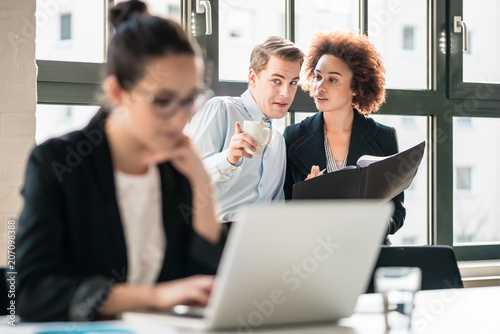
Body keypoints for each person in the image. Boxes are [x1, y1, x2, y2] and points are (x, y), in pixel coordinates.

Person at [16, 0, 225, 322]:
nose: (179, 119)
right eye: (164, 101)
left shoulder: (176, 167)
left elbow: (203, 282)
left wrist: (202, 183)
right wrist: (153, 296)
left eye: (189, 100)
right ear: (117, 92)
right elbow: (30, 292)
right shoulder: (58, 163)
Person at [283, 30, 405, 239]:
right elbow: (282, 209)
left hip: (368, 255)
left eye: (333, 80)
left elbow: (397, 213)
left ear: (355, 88)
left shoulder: (384, 138)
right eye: (318, 77)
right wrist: (305, 199)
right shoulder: (293, 137)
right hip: (312, 257)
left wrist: (371, 222)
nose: (319, 87)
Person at [185, 36, 304, 224]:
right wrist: (228, 159)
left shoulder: (278, 140)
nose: (286, 94)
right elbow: (186, 177)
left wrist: (307, 192)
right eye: (276, 81)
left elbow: (276, 206)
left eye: (293, 83)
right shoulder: (221, 109)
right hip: (214, 235)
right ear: (252, 78)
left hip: (261, 239)